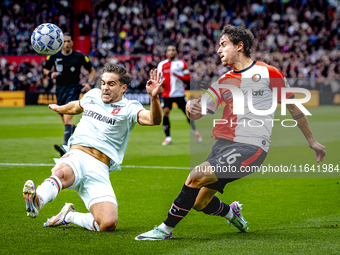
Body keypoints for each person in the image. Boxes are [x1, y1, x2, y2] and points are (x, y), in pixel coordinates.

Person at [135, 25, 326, 240]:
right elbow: (199, 110)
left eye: (223, 44)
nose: (218, 50)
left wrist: (312, 141)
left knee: (195, 176)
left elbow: (294, 107)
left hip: (251, 146)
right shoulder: (223, 81)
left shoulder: (268, 72)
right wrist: (190, 108)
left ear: (240, 46)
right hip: (222, 146)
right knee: (199, 202)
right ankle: (231, 213)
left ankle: (164, 230)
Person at [23, 63, 163, 232]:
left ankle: (68, 216)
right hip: (78, 154)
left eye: (111, 84)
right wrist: (61, 108)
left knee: (107, 223)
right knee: (62, 172)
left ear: (123, 87)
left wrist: (154, 98)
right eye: (103, 83)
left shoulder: (129, 108)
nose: (105, 87)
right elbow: (76, 106)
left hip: (100, 168)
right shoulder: (93, 95)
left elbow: (154, 120)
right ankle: (38, 200)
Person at [43, 32, 96, 157]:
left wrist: (89, 83)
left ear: (72, 43)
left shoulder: (78, 56)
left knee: (67, 118)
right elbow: (45, 69)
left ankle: (65, 147)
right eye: (64, 41)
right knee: (66, 121)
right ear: (61, 43)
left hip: (73, 89)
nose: (66, 44)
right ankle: (85, 137)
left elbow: (91, 70)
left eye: (68, 41)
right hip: (60, 90)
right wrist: (51, 74)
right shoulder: (54, 56)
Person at [158, 45, 202, 145]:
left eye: (173, 50)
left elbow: (188, 78)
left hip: (180, 94)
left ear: (176, 52)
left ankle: (194, 130)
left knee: (189, 114)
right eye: (169, 50)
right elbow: (159, 79)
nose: (171, 52)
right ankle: (168, 137)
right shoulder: (161, 65)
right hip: (166, 94)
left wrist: (177, 75)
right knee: (165, 113)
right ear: (166, 52)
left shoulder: (181, 63)